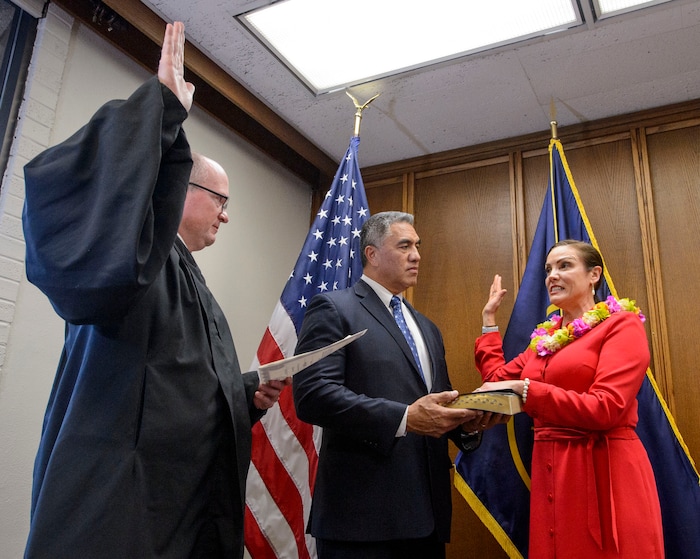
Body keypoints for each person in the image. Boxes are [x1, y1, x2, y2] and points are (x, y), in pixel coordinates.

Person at [21, 22, 289, 559]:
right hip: (119, 514)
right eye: (220, 200)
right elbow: (81, 230)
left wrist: (241, 394)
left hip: (180, 516)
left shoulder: (191, 279)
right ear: (181, 186)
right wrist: (161, 111)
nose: (227, 216)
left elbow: (172, 387)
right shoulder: (133, 253)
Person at [293, 211, 506, 559]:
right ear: (372, 254)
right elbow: (313, 395)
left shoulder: (427, 328)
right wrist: (404, 417)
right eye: (404, 245)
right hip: (362, 521)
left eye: (417, 246)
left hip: (428, 518)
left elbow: (437, 404)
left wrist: (466, 423)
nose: (417, 255)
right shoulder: (334, 308)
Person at [474, 239, 664, 558]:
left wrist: (528, 391)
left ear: (594, 275)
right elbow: (497, 383)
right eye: (548, 269)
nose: (552, 275)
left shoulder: (621, 325)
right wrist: (489, 323)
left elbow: (606, 408)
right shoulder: (546, 340)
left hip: (606, 471)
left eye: (564, 265)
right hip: (552, 471)